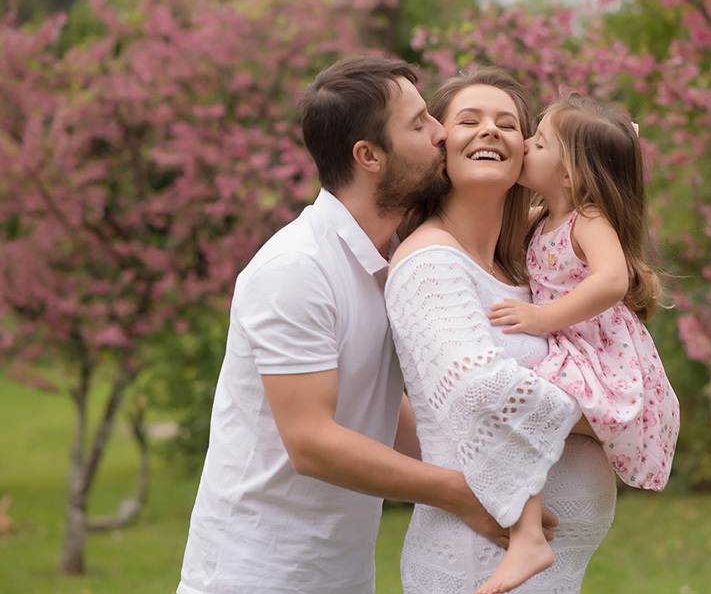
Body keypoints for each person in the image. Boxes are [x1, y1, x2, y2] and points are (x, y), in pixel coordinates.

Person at [176, 57, 511, 594]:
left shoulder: (397, 256)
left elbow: (375, 404)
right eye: (420, 123)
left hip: (342, 576)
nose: (441, 133)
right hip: (256, 576)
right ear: (369, 156)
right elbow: (312, 441)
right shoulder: (296, 268)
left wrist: (498, 468)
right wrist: (458, 492)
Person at [385, 66, 617, 594]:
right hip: (477, 563)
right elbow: (480, 389)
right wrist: (616, 412)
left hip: (552, 572)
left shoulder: (527, 270)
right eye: (469, 120)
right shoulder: (430, 262)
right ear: (439, 147)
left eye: (508, 124)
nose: (490, 130)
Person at [482, 93, 680, 593]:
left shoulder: (586, 221)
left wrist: (542, 318)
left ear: (569, 175)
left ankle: (527, 535)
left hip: (596, 352)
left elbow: (612, 280)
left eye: (538, 140)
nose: (525, 143)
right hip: (569, 344)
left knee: (523, 402)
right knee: (521, 406)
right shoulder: (538, 217)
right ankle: (525, 525)